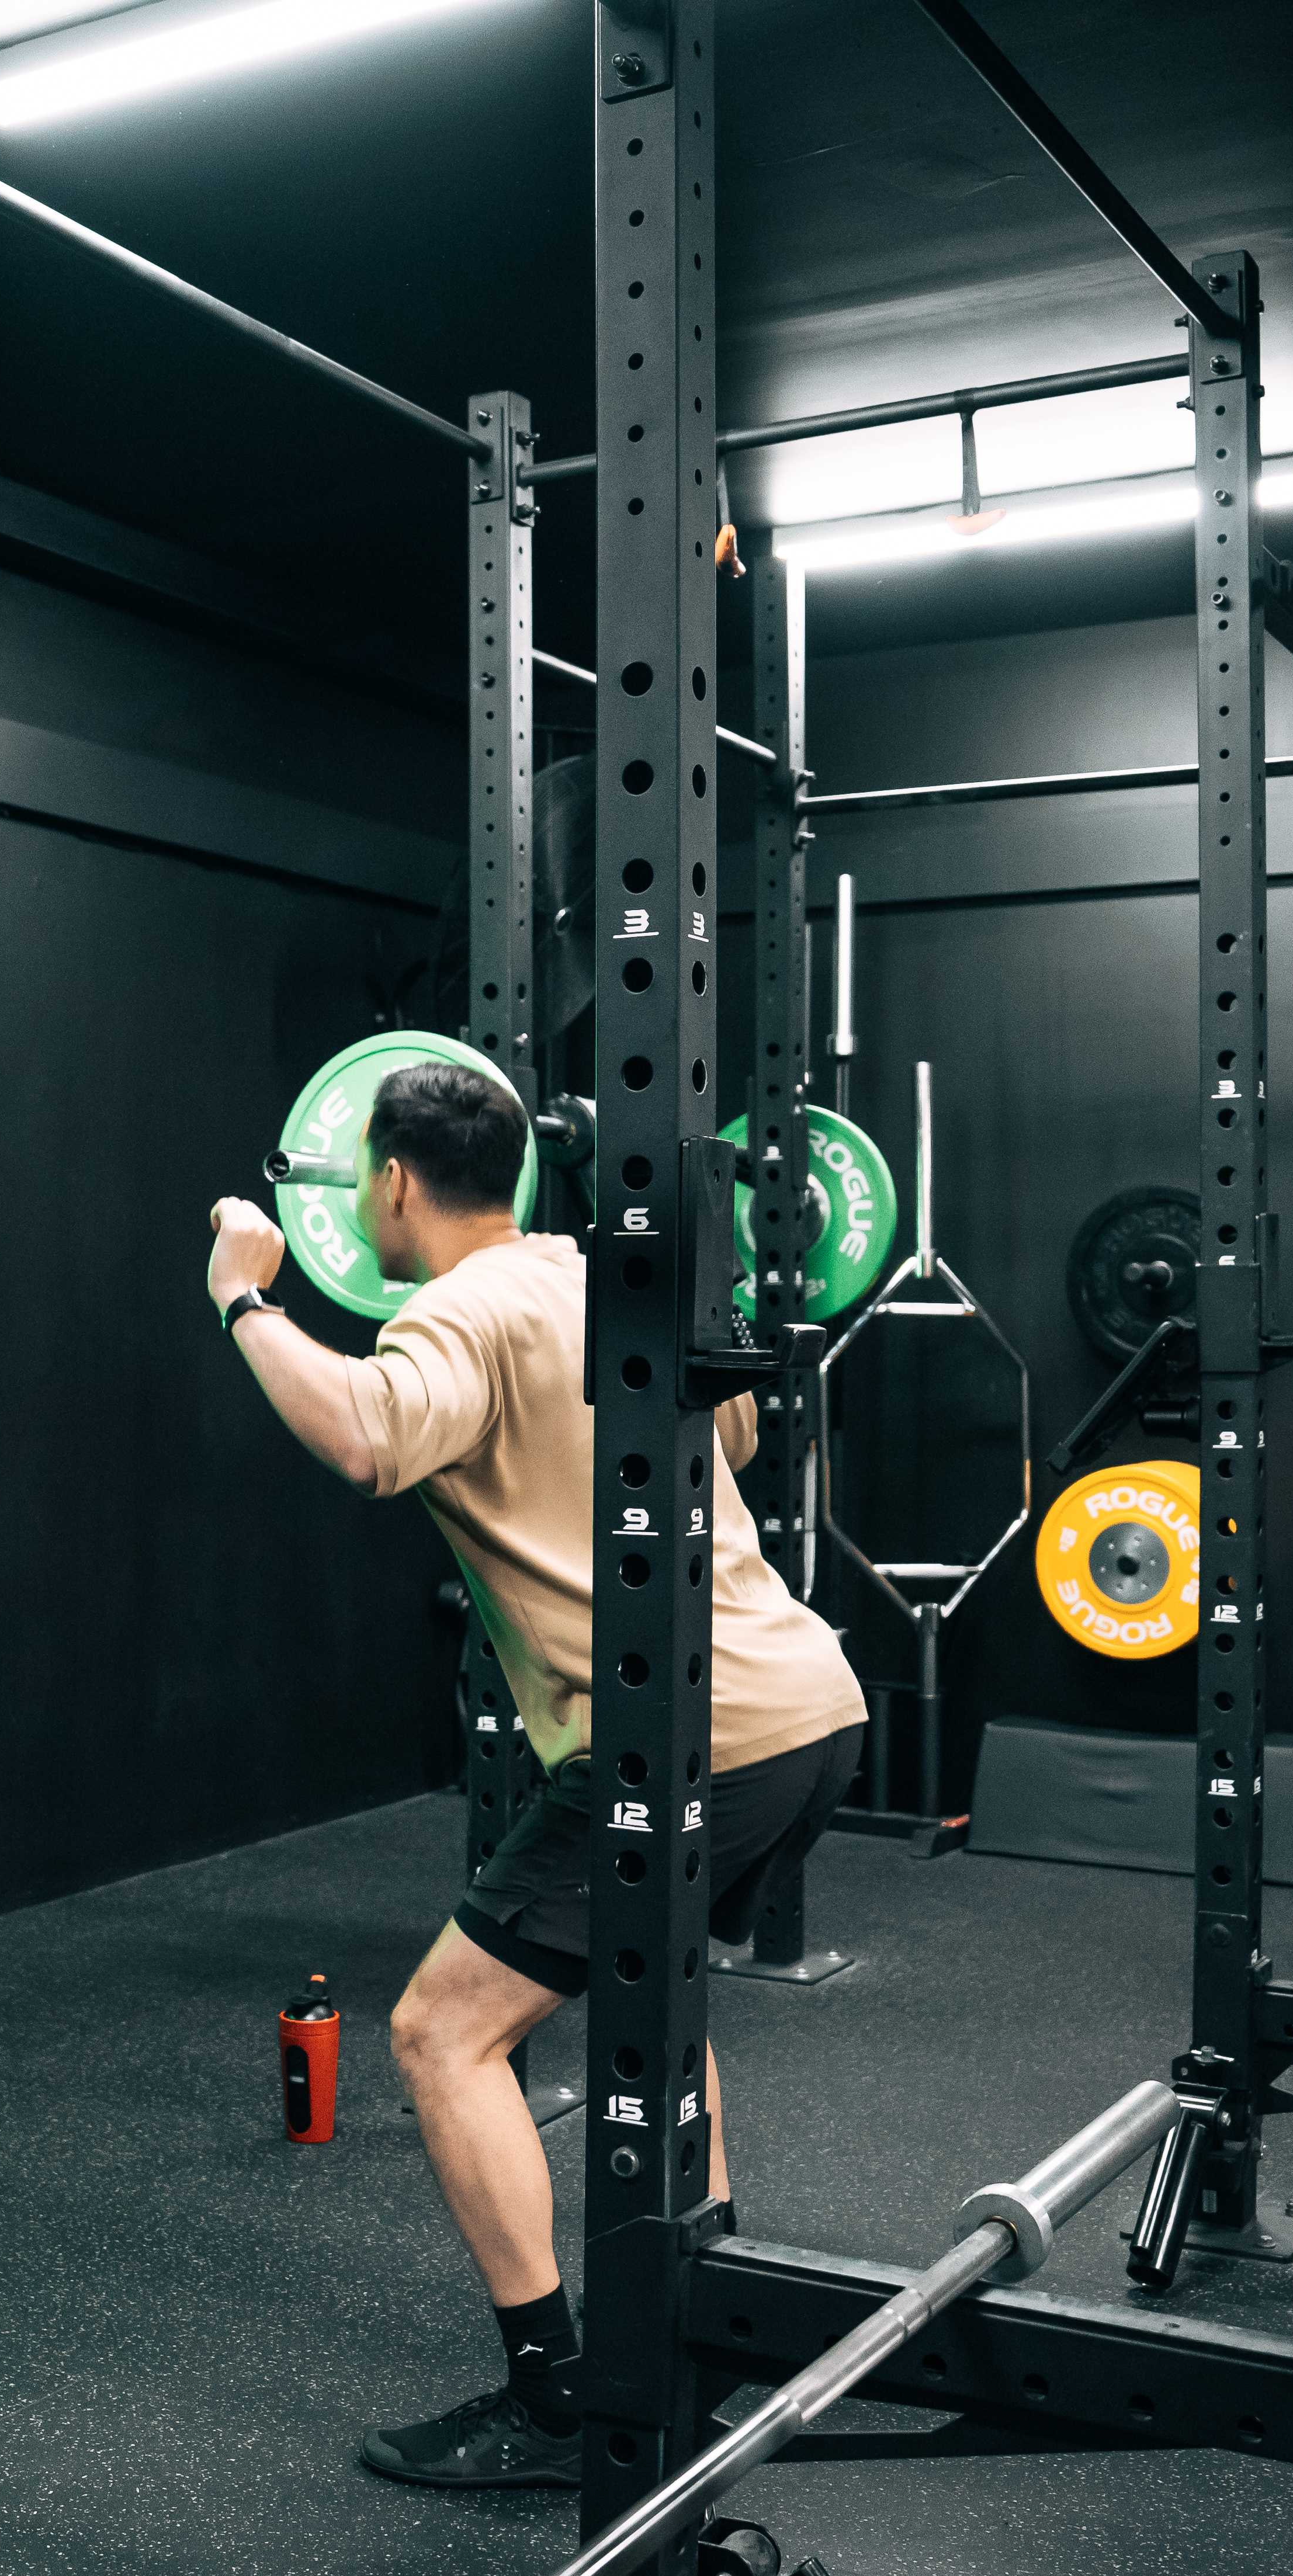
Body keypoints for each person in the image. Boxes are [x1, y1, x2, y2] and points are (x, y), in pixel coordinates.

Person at [206, 1061, 866, 2490]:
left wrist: (247, 1296)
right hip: (809, 1706)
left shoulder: (453, 1306)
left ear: (391, 1183)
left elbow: (370, 1436)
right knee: (655, 1993)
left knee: (444, 2032)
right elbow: (738, 1426)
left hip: (692, 1733)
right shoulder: (585, 1269)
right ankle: (709, 2335)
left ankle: (560, 2392)